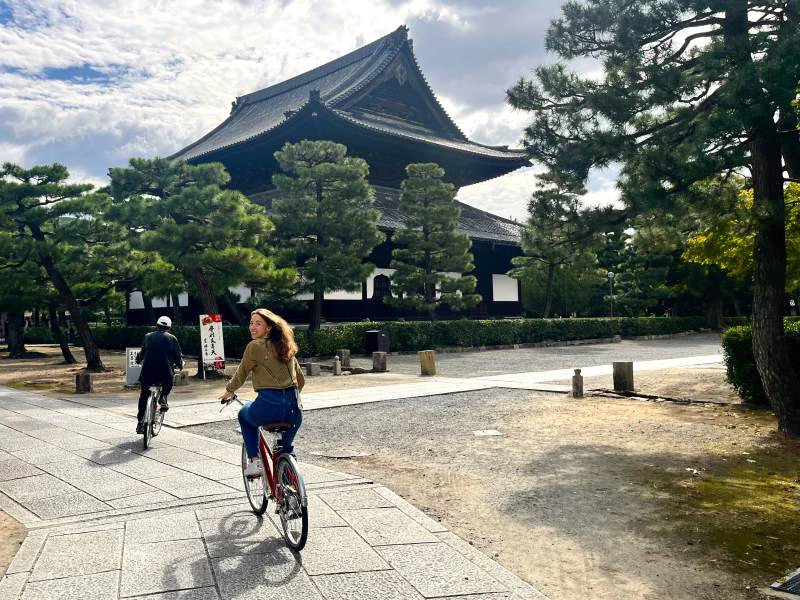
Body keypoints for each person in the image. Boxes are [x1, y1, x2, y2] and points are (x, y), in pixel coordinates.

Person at [220, 308, 304, 476]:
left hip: (268, 407)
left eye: (258, 323)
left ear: (269, 328)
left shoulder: (254, 346)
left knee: (244, 415)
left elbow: (242, 372)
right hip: (294, 411)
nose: (253, 327)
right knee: (285, 449)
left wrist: (229, 390)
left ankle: (253, 462)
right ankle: (291, 492)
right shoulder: (286, 347)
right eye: (251, 323)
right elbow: (300, 380)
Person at [136, 315, 183, 433]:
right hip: (165, 371)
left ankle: (140, 422)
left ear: (157, 326)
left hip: (147, 371)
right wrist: (180, 365)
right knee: (168, 383)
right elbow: (177, 357)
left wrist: (138, 360)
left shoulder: (147, 336)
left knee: (143, 396)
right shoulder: (172, 338)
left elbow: (142, 353)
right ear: (169, 327)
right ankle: (163, 397)